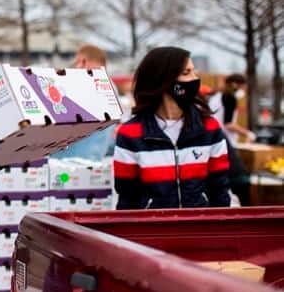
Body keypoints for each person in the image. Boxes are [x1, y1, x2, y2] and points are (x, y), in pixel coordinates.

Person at [114, 46, 231, 209]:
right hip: (153, 231)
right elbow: (127, 198)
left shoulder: (209, 128)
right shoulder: (130, 133)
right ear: (163, 79)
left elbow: (220, 191)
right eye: (186, 73)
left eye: (194, 72)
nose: (194, 79)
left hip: (201, 229)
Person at [52, 44, 115, 161]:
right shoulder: (110, 88)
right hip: (95, 162)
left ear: (83, 61)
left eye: (76, 62)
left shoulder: (81, 84)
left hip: (66, 163)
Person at [208, 74, 253, 206]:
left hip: (213, 138)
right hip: (224, 141)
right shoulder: (229, 97)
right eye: (242, 86)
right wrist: (247, 133)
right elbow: (228, 124)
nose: (243, 90)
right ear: (235, 84)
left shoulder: (215, 96)